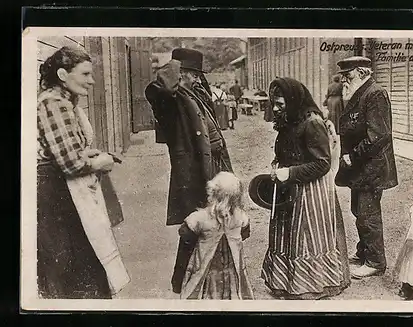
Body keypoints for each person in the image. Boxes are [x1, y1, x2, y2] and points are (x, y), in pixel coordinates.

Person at [37, 46, 130, 299]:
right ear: (63, 75)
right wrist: (99, 163)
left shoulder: (66, 102)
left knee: (85, 268)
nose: (92, 81)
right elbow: (69, 164)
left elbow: (67, 151)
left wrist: (90, 154)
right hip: (57, 197)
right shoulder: (54, 104)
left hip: (66, 192)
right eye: (86, 74)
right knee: (76, 271)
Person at [144, 48, 233, 294]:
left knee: (216, 221)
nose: (197, 79)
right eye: (193, 74)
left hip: (213, 165)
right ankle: (180, 280)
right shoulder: (170, 100)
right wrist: (173, 66)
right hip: (193, 172)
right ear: (180, 73)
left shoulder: (195, 94)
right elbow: (157, 88)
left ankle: (207, 281)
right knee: (194, 226)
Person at [261, 77, 350, 300]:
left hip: (311, 190)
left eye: (280, 104)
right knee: (287, 235)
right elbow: (285, 150)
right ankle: (285, 282)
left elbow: (322, 163)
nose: (275, 108)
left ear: (293, 101)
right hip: (289, 187)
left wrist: (290, 173)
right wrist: (277, 164)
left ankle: (310, 285)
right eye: (274, 103)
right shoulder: (289, 121)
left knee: (306, 237)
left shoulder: (312, 123)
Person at [335, 56, 398, 279]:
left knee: (367, 214)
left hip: (370, 167)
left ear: (362, 73)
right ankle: (363, 253)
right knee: (359, 211)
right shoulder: (358, 93)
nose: (344, 80)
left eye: (348, 75)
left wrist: (353, 156)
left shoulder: (374, 94)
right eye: (342, 75)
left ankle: (375, 261)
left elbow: (379, 135)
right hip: (360, 168)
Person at [179, 172, 254, 299]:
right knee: (232, 291)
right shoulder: (239, 216)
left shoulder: (201, 217)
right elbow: (245, 232)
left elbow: (185, 233)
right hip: (231, 268)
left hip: (207, 268)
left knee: (205, 290)